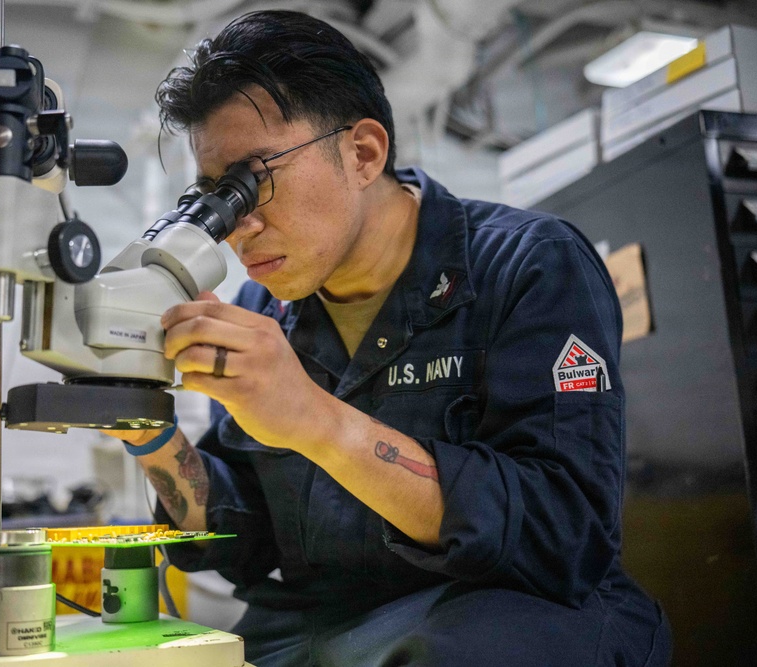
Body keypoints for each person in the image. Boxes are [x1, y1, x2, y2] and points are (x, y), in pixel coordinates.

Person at [111, 9, 671, 666]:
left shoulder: (530, 265)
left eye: (252, 182)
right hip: (323, 626)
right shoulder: (265, 308)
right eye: (216, 197)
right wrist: (146, 428)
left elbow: (563, 537)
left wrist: (317, 420)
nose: (239, 227)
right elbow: (244, 539)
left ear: (363, 153)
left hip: (497, 617)